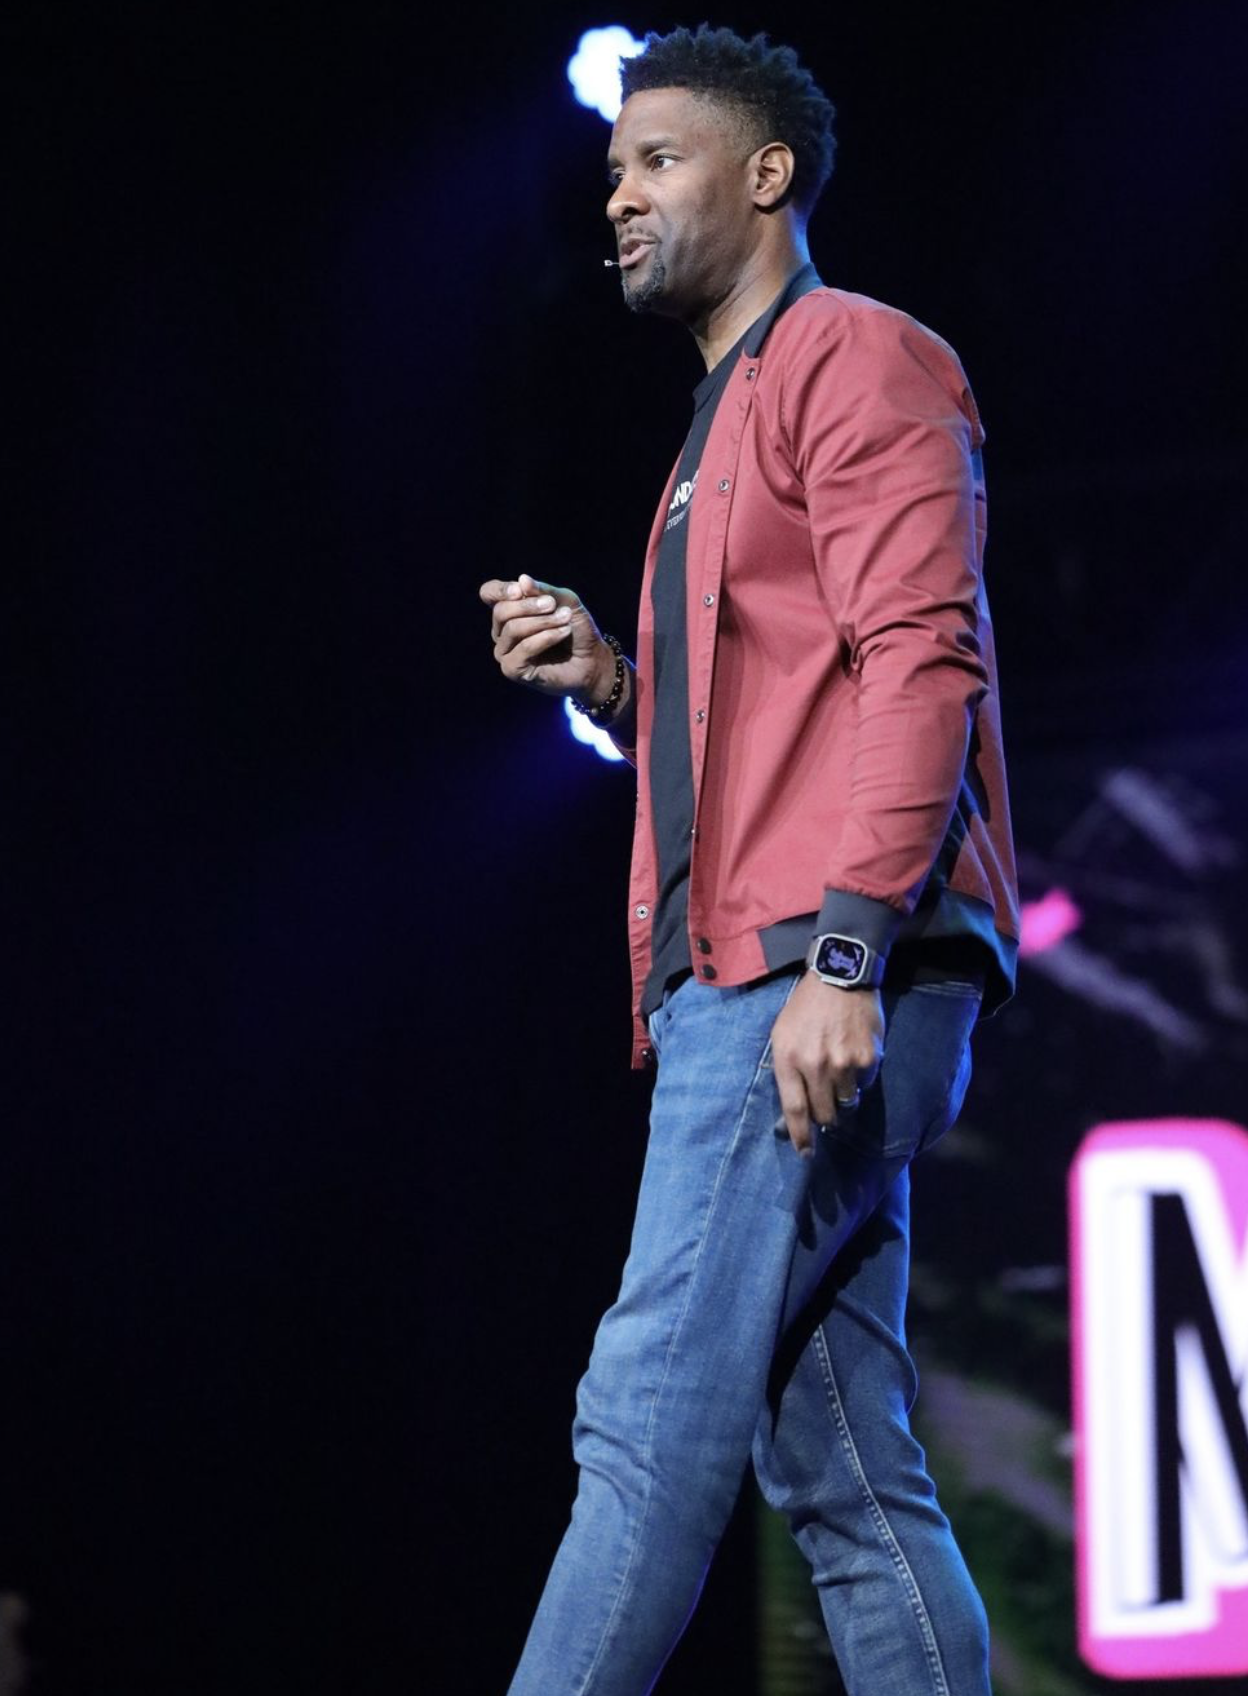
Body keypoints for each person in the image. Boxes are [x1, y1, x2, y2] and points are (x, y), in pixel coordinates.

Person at [480, 25, 1018, 1696]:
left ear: (768, 173)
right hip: (769, 966)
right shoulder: (719, 421)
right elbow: (775, 725)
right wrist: (616, 681)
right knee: (843, 1467)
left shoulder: (855, 355)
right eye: (614, 170)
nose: (619, 197)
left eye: (659, 160)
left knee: (648, 1419)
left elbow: (923, 661)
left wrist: (847, 954)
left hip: (810, 972)